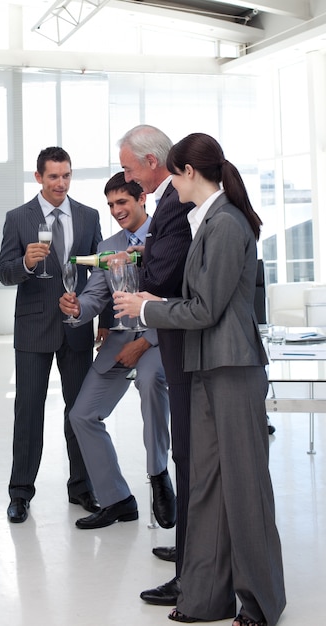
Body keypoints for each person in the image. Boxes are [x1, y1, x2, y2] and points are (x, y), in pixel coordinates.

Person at [114, 132, 286, 626]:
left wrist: (149, 307)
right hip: (206, 366)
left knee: (244, 487)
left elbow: (207, 308)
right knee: (207, 486)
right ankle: (207, 597)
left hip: (232, 368)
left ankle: (260, 605)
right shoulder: (207, 219)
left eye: (173, 173)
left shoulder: (227, 223)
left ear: (189, 172)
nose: (169, 183)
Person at [59, 172, 175, 530]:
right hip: (118, 344)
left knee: (151, 382)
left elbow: (176, 296)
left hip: (157, 338)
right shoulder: (109, 244)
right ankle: (118, 500)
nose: (115, 210)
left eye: (122, 202)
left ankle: (158, 474)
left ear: (141, 199)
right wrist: (78, 309)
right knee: (81, 416)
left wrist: (146, 343)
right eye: (110, 204)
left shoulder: (169, 236)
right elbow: (96, 295)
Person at [0, 146, 102, 523]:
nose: (61, 183)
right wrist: (26, 262)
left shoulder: (88, 217)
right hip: (32, 327)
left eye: (67, 175)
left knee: (79, 411)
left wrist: (101, 318)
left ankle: (83, 487)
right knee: (28, 412)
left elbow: (100, 273)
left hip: (76, 327)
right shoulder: (18, 218)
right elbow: (5, 272)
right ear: (38, 177)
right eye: (54, 176)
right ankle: (20, 492)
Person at [119, 124, 194, 605]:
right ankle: (190, 548)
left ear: (152, 163)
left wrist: (137, 270)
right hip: (176, 335)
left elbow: (166, 272)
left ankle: (193, 562)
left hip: (182, 339)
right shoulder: (170, 203)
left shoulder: (175, 203)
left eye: (128, 167)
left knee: (189, 453)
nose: (127, 178)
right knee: (185, 452)